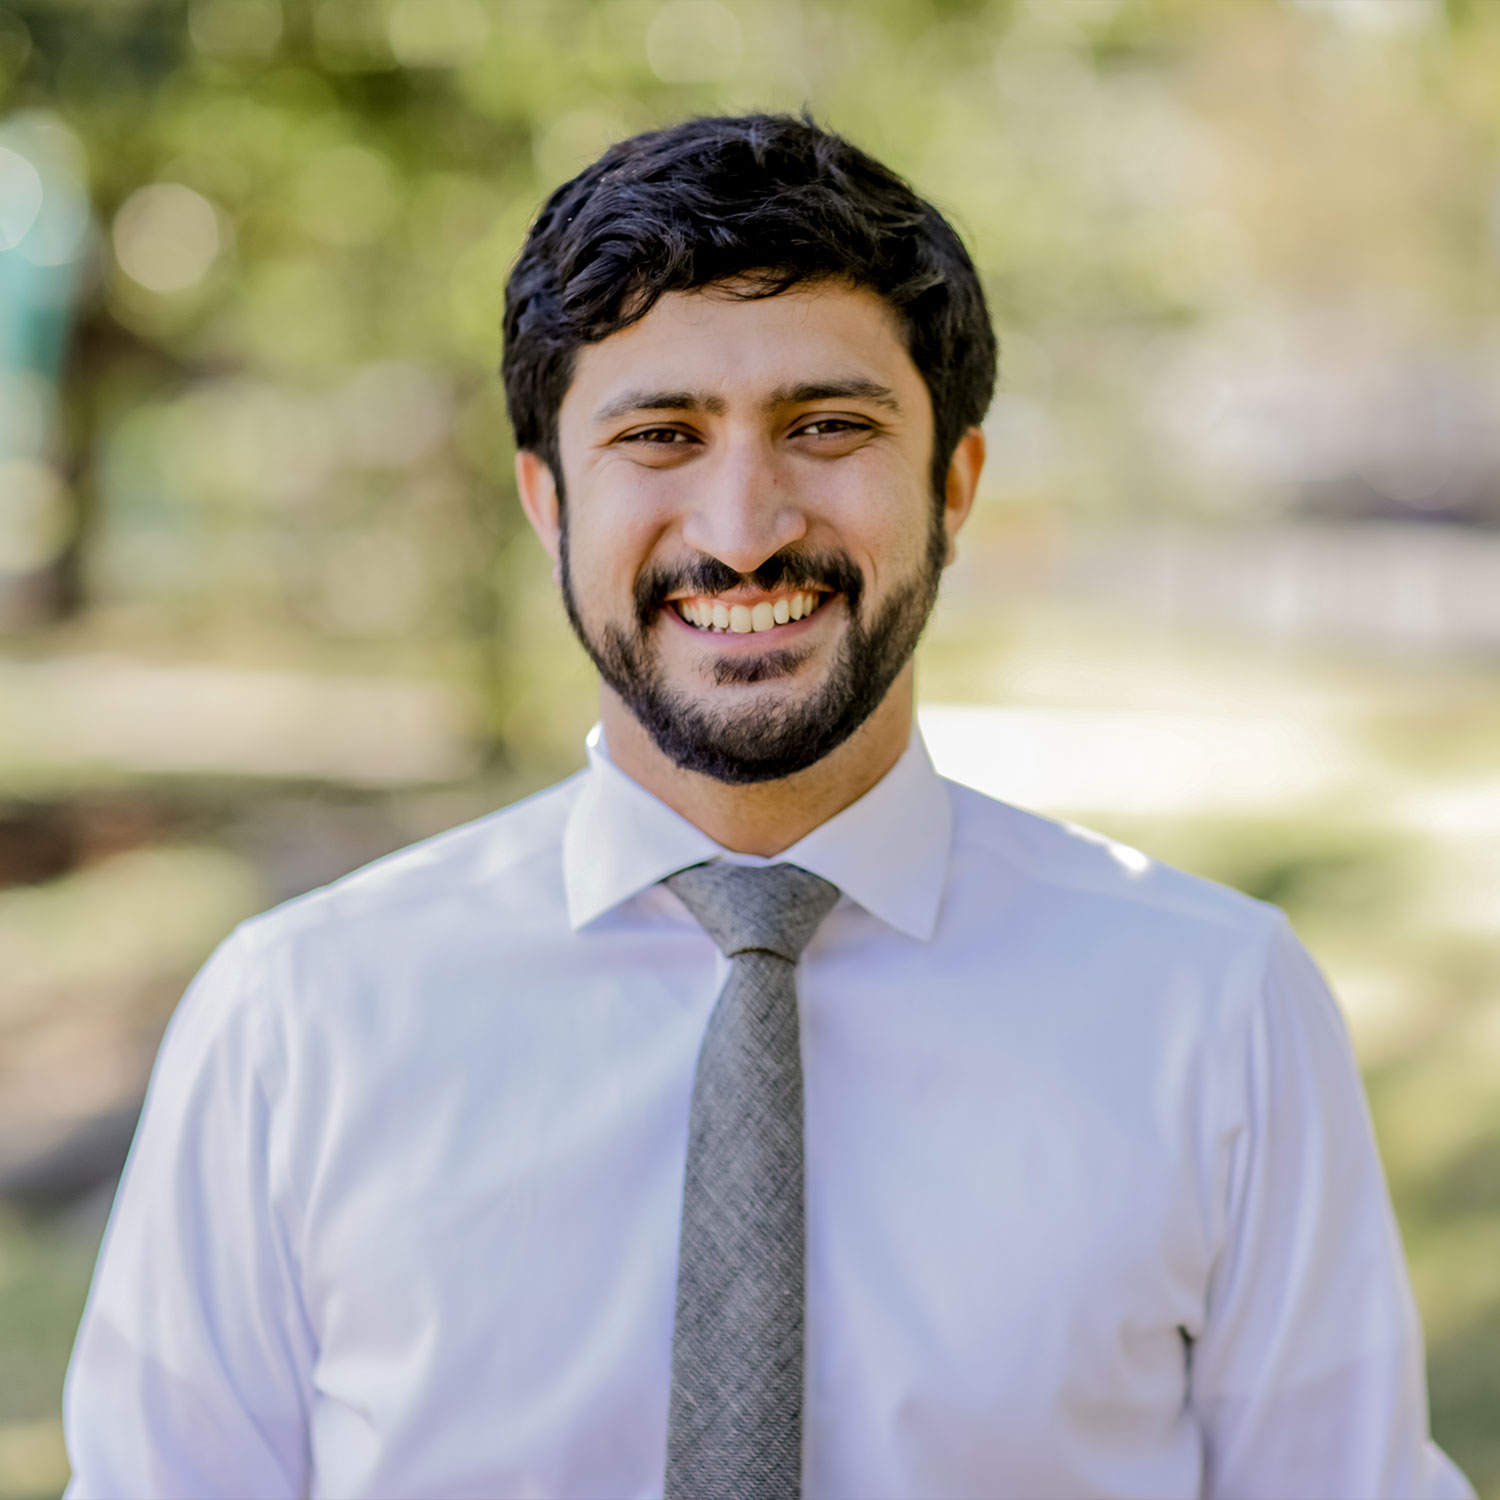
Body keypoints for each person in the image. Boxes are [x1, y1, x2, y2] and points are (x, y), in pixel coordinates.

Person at [62, 113, 1472, 1500]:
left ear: (956, 484)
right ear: (549, 501)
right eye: (662, 434)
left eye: (829, 426)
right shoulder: (295, 1023)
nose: (744, 529)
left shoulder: (1221, 1016)